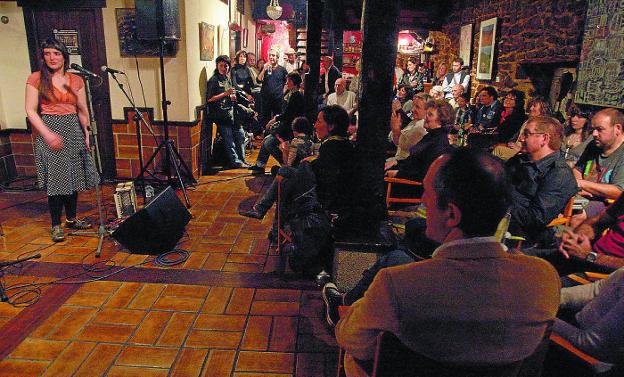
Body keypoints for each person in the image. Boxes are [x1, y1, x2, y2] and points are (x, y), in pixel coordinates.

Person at [334, 148, 560, 376]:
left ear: (451, 214)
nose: (422, 200)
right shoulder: (543, 279)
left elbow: (351, 339)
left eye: (427, 192)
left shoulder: (399, 284)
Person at [25, 37, 98, 242]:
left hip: (72, 127)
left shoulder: (76, 79)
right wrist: (47, 134)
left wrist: (86, 134)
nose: (52, 57)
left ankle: (72, 219)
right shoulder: (36, 79)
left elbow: (82, 109)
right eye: (47, 53)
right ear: (43, 57)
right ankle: (56, 224)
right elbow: (30, 110)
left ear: (64, 56)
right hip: (49, 127)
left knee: (73, 176)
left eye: (56, 53)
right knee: (57, 180)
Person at [505, 116, 578, 247]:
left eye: (527, 134)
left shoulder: (559, 174)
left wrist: (498, 205)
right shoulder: (520, 161)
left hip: (522, 239)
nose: (521, 138)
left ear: (544, 138)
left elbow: (535, 219)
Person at [554, 268, 624, 364]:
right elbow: (596, 290)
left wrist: (541, 315)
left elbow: (591, 344)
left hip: (587, 358)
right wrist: (547, 298)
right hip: (578, 325)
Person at [250, 72, 304, 175]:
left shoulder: (296, 96)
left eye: (288, 81)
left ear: (293, 82)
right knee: (267, 139)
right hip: (286, 126)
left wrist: (274, 119)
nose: (286, 83)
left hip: (290, 129)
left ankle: (286, 164)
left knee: (268, 143)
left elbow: (289, 115)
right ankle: (259, 165)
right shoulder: (290, 93)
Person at [386, 99, 454, 183]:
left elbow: (424, 175)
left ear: (441, 121)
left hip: (407, 187)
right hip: (401, 176)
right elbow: (413, 160)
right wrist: (396, 162)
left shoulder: (439, 143)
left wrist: (398, 173)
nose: (425, 117)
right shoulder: (430, 136)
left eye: (430, 115)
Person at [574, 108, 624, 218]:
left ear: (618, 129)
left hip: (609, 205)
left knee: (577, 216)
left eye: (600, 129)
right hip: (583, 197)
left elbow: (619, 191)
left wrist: (581, 184)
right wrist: (579, 188)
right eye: (593, 129)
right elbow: (577, 169)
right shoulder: (593, 145)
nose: (595, 134)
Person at [206, 55, 248, 168]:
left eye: (226, 65)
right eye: (221, 66)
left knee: (240, 135)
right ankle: (236, 162)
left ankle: (243, 160)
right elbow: (209, 99)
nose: (224, 68)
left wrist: (232, 97)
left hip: (231, 113)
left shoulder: (227, 78)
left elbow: (229, 93)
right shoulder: (214, 80)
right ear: (217, 66)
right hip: (221, 115)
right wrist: (225, 94)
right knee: (229, 140)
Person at [491, 95, 552, 160]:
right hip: (516, 149)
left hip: (526, 155)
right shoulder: (528, 121)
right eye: (531, 106)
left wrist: (521, 149)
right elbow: (515, 138)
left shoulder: (543, 126)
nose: (531, 108)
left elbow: (539, 149)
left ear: (543, 109)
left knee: (498, 151)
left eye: (534, 106)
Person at [385, 93, 430, 170]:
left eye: (417, 107)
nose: (412, 110)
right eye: (413, 106)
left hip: (404, 167)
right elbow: (399, 143)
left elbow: (401, 144)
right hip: (397, 161)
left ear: (427, 110)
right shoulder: (415, 121)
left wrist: (396, 129)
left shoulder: (421, 127)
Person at [257, 48, 288, 136]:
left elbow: (287, 82)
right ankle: (266, 135)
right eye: (270, 55)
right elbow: (258, 80)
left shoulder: (282, 70)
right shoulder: (265, 68)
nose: (271, 57)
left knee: (277, 118)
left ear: (277, 58)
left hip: (278, 98)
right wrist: (264, 69)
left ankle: (276, 136)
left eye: (273, 55)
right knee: (265, 118)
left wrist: (283, 93)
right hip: (266, 98)